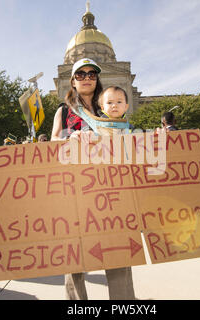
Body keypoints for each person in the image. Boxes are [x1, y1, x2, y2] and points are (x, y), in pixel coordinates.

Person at [51, 58, 135, 300]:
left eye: (91, 74)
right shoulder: (64, 110)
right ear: (73, 80)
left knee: (117, 249)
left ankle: (123, 301)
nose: (87, 78)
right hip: (74, 186)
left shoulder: (108, 106)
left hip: (109, 187)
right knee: (74, 252)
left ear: (97, 78)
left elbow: (125, 137)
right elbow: (53, 140)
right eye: (81, 74)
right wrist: (71, 139)